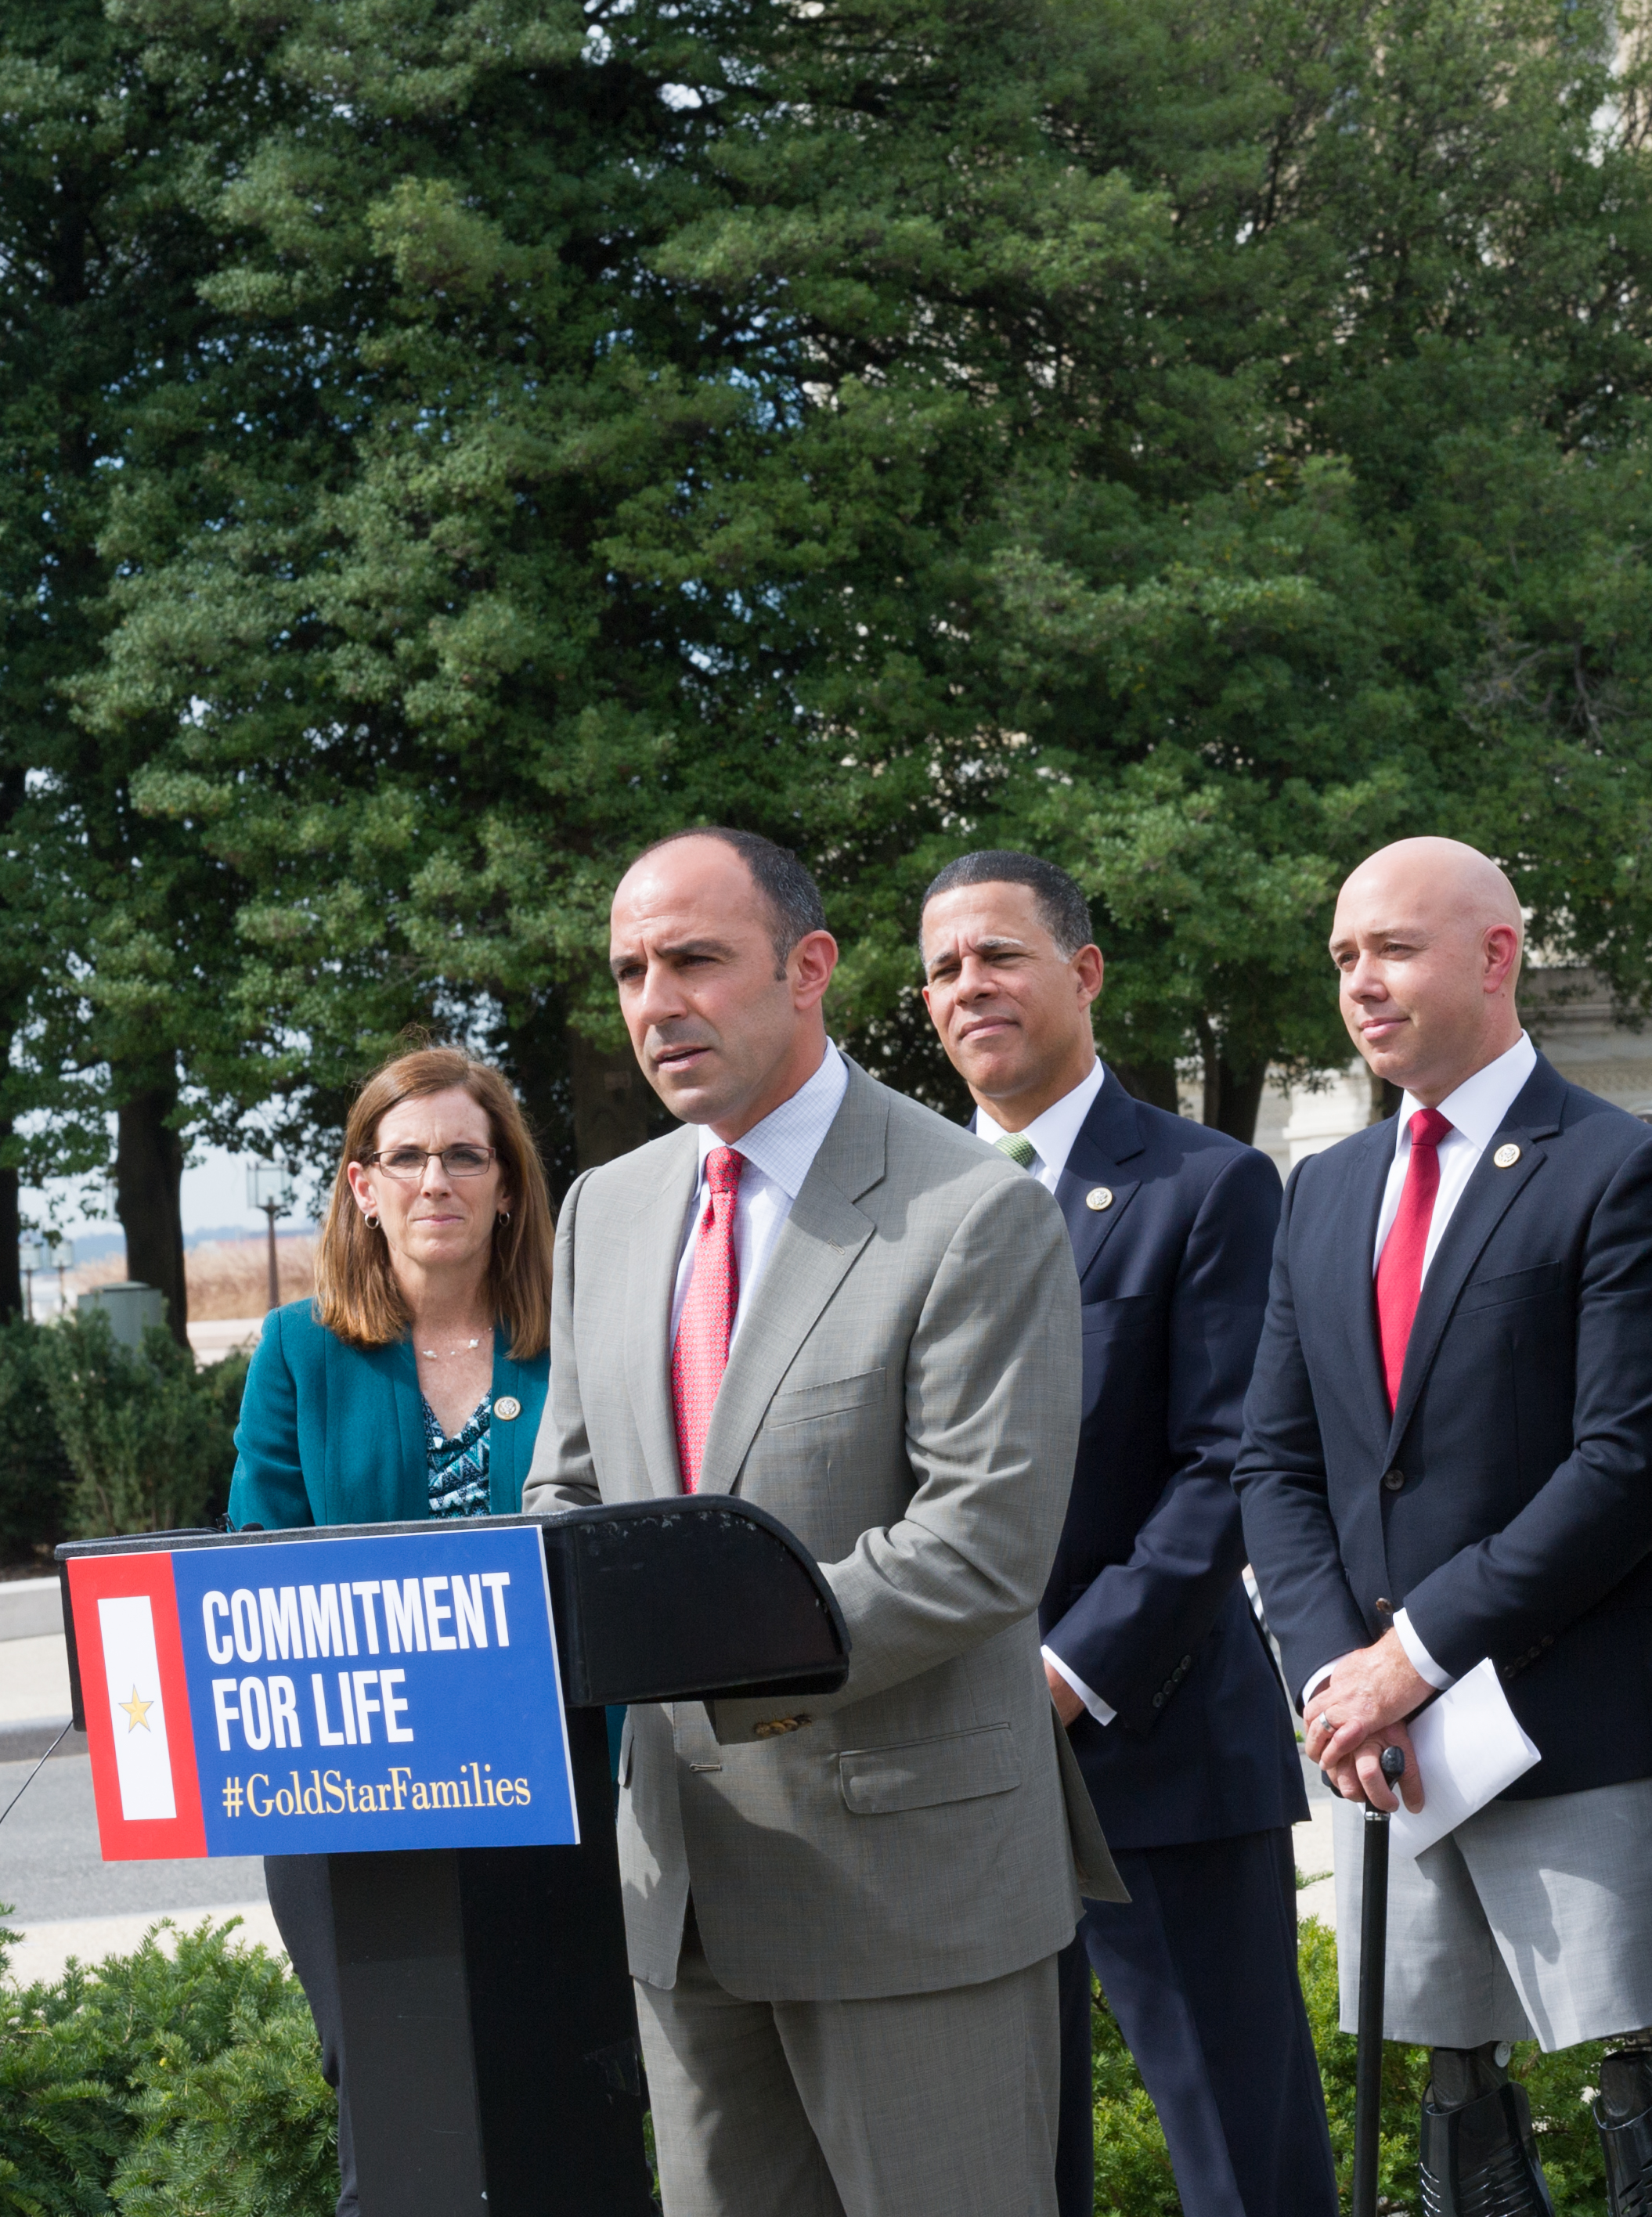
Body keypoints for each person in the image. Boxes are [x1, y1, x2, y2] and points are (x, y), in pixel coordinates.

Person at [524, 825, 1113, 2217]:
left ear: (810, 968)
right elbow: (570, 1496)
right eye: (628, 971)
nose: (655, 1002)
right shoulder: (606, 1210)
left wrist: (700, 1658)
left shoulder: (969, 1209)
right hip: (686, 1892)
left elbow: (978, 1542)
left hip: (910, 1890)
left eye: (694, 960)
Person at [1232, 836, 1652, 2214]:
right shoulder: (1325, 1190)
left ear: (1497, 954)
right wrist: (1343, 1675)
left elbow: (1629, 1466)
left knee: (1627, 2096)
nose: (1362, 983)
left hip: (1571, 1717)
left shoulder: (1623, 1169)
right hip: (1390, 1744)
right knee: (1451, 2098)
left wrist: (1421, 1653)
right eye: (1344, 958)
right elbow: (1273, 1461)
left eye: (1393, 949)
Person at [917, 849, 1333, 2217]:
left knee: (1241, 2158)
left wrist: (1065, 1671)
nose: (967, 986)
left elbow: (1230, 1467)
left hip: (1155, 1751)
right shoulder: (903, 1210)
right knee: (998, 2163)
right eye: (941, 969)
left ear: (1083, 973)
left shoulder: (1208, 1189)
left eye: (998, 955)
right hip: (950, 1772)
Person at [229, 1043, 557, 2217]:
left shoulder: (578, 1342)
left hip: (555, 1785)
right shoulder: (298, 1352)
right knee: (397, 2108)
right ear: (360, 1185)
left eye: (465, 1155)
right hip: (351, 1802)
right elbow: (257, 1567)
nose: (437, 1183)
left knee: (556, 2093)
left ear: (508, 1183)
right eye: (405, 1157)